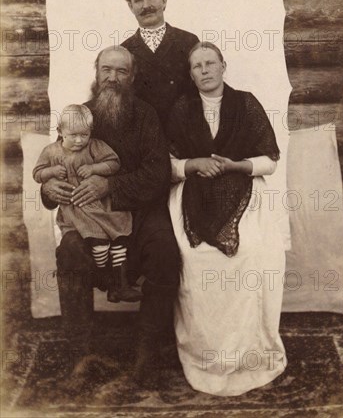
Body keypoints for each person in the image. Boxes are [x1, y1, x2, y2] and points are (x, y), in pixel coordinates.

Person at [41, 46, 180, 386]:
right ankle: (81, 354)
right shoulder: (79, 117)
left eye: (121, 71)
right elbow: (54, 164)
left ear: (132, 77)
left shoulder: (146, 115)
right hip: (86, 215)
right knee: (69, 250)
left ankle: (148, 351)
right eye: (107, 70)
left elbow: (157, 173)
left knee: (165, 249)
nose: (113, 78)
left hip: (140, 212)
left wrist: (110, 186)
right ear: (97, 72)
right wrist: (48, 191)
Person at [167, 42, 287, 396]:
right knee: (192, 257)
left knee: (251, 252)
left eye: (210, 63)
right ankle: (207, 355)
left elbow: (269, 160)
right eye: (196, 66)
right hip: (192, 193)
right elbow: (168, 165)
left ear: (223, 66)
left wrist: (236, 166)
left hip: (243, 192)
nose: (204, 70)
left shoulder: (246, 103)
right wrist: (193, 165)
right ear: (190, 74)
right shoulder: (181, 108)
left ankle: (250, 352)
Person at [33, 104, 141, 304]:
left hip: (101, 206)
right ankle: (104, 277)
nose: (79, 140)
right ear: (60, 132)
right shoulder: (51, 152)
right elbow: (37, 173)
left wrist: (94, 168)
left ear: (90, 132)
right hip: (76, 210)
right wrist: (51, 173)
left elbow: (113, 163)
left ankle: (120, 285)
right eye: (73, 135)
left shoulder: (95, 146)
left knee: (119, 242)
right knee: (99, 245)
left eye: (84, 135)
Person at [121, 0, 199, 125]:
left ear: (164, 0)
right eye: (138, 0)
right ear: (131, 7)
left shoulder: (189, 41)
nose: (146, 5)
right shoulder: (124, 51)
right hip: (144, 139)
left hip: (185, 136)